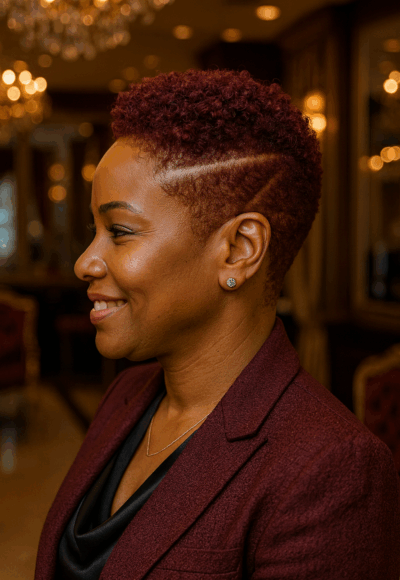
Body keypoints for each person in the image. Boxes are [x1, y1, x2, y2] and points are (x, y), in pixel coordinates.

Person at [35, 69, 400, 580]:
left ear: (238, 249)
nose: (84, 263)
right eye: (93, 230)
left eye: (119, 231)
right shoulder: (128, 395)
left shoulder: (330, 467)